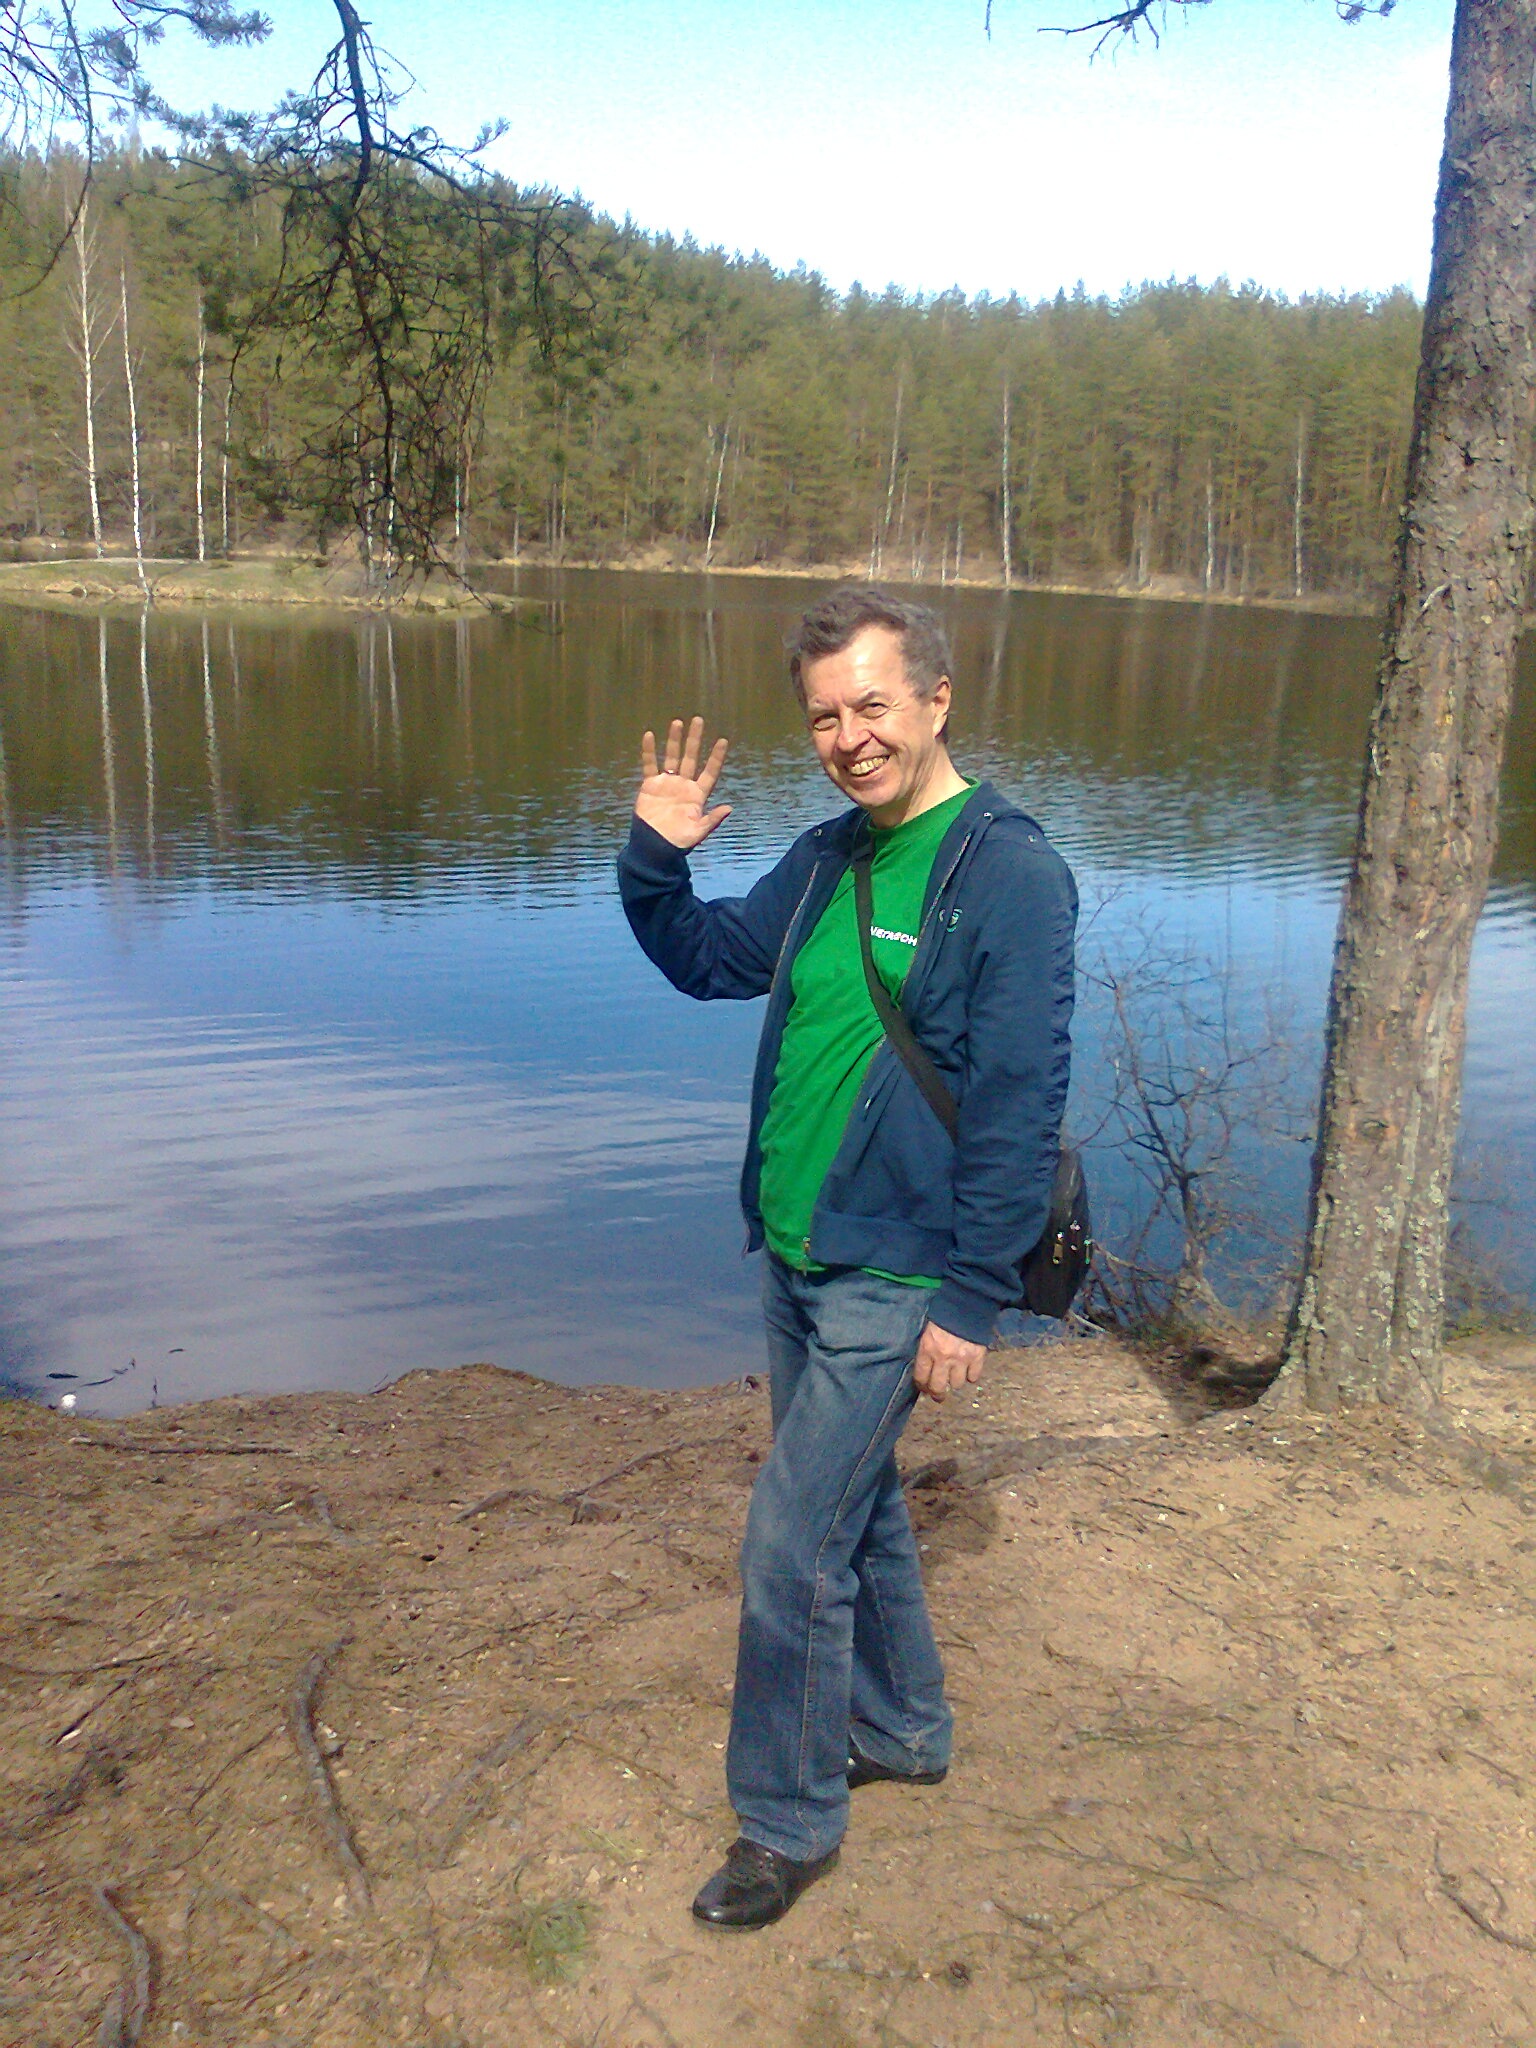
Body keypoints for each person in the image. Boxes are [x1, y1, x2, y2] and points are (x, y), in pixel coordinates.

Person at [618, 584, 1076, 1930]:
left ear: (937, 699)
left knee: (788, 1543)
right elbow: (711, 962)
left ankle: (786, 1821)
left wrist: (974, 1297)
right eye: (825, 717)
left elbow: (1019, 1102)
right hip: (797, 1251)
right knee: (853, 1509)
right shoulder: (829, 856)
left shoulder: (1008, 874)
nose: (850, 738)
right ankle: (905, 1728)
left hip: (899, 1267)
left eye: (872, 705)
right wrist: (654, 862)